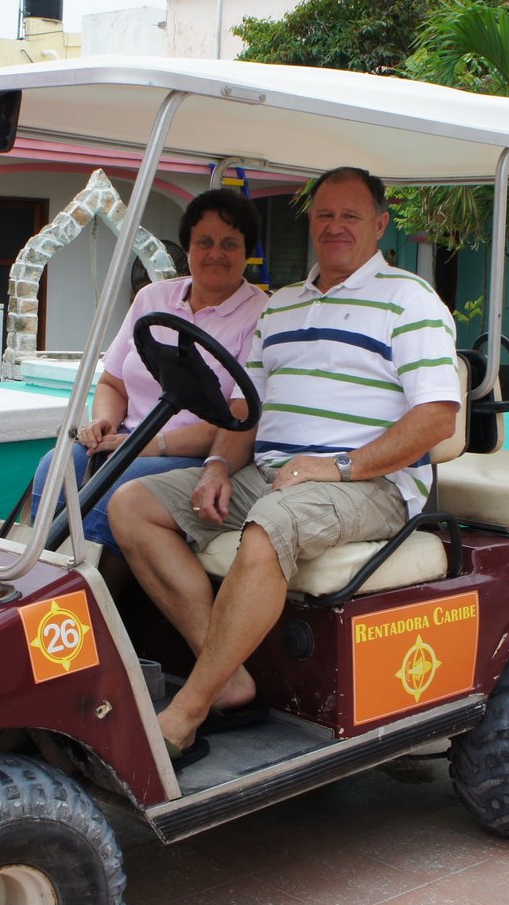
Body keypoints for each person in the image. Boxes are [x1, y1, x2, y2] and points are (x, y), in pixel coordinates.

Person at [110, 167, 460, 760]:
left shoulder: (411, 300)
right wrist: (217, 466)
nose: (335, 226)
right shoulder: (283, 307)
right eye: (324, 215)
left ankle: (185, 714)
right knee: (133, 505)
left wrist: (339, 466)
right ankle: (228, 677)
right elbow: (247, 410)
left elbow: (437, 418)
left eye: (350, 215)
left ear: (380, 224)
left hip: (371, 482)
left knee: (269, 525)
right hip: (273, 473)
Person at [30, 188, 268, 554]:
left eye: (229, 244)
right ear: (188, 247)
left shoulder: (261, 314)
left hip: (191, 454)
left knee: (116, 484)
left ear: (247, 251)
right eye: (204, 242)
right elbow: (113, 383)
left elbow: (238, 419)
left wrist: (146, 446)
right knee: (55, 465)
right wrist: (104, 422)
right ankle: (40, 570)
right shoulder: (152, 298)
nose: (215, 253)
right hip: (128, 438)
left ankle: (93, 585)